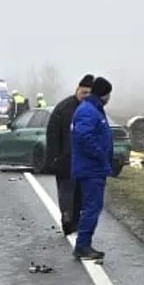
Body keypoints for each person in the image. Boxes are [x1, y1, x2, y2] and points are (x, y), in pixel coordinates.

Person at [70, 76, 114, 260]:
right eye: (109, 94)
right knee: (91, 207)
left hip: (93, 167)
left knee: (92, 206)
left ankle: (84, 244)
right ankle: (82, 246)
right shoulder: (89, 111)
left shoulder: (93, 109)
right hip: (91, 168)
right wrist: (99, 154)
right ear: (103, 94)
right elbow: (83, 136)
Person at [46, 74, 95, 234]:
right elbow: (52, 134)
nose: (86, 96)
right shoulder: (64, 108)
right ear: (77, 90)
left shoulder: (92, 109)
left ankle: (75, 221)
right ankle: (67, 219)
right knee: (66, 192)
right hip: (65, 159)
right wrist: (54, 156)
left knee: (80, 194)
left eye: (89, 93)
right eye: (84, 93)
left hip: (84, 160)